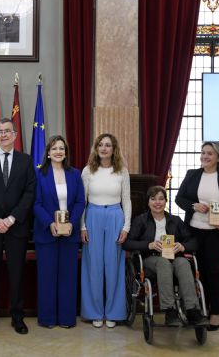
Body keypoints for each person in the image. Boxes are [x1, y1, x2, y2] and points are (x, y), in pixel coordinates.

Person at [0, 118, 36, 335]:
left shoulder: (26, 161)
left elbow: (30, 192)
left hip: (16, 227)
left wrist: (11, 219)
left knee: (16, 273)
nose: (3, 135)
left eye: (7, 131)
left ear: (15, 134)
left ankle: (17, 317)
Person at [175, 141, 219, 331]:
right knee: (199, 271)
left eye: (209, 154)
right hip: (194, 231)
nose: (205, 156)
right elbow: (179, 198)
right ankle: (200, 309)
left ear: (218, 157)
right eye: (203, 152)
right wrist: (193, 206)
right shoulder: (192, 174)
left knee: (213, 271)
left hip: (217, 232)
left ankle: (215, 313)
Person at [124, 186, 206, 326]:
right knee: (163, 263)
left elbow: (193, 241)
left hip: (174, 257)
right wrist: (148, 245)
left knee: (183, 263)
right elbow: (127, 243)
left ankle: (192, 310)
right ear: (148, 202)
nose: (157, 202)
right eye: (153, 199)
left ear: (166, 201)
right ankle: (169, 310)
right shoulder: (141, 220)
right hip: (150, 260)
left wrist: (182, 246)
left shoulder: (175, 220)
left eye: (161, 199)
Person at [32, 135, 85, 329]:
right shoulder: (39, 174)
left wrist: (72, 223)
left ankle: (66, 318)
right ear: (48, 152)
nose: (58, 152)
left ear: (66, 152)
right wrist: (49, 223)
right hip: (47, 233)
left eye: (61, 148)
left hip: (69, 233)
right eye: (54, 148)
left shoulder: (75, 174)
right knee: (47, 277)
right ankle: (47, 319)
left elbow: (80, 201)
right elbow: (36, 204)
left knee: (68, 278)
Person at [80, 133, 131, 328]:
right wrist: (82, 226)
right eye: (100, 145)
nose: (103, 148)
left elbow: (126, 200)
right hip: (92, 216)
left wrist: (126, 227)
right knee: (93, 265)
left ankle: (113, 312)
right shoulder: (87, 171)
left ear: (114, 149)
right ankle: (94, 311)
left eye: (108, 145)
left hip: (115, 217)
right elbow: (82, 201)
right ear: (96, 148)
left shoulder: (122, 171)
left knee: (114, 265)